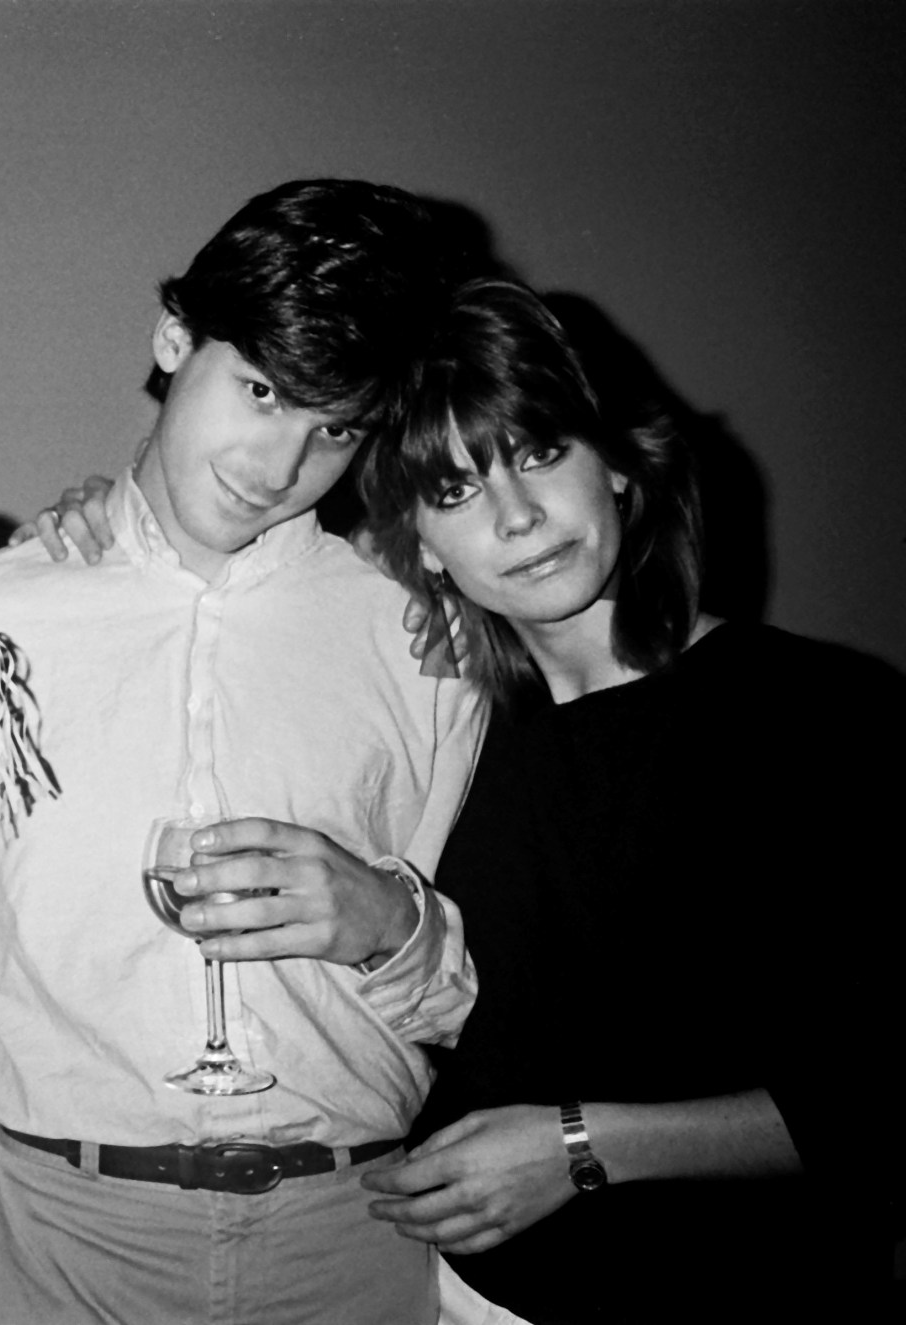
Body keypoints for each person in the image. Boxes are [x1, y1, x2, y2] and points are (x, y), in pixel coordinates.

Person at [0, 178, 484, 1325]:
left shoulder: (421, 640)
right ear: (171, 337)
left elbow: (479, 1003)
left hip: (350, 1243)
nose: (277, 461)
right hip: (60, 1244)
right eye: (258, 390)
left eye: (332, 426)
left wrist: (394, 925)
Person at [343, 277, 904, 1323]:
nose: (514, 517)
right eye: (455, 491)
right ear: (421, 543)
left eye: (539, 452)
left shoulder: (821, 713)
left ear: (617, 465)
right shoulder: (452, 734)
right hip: (464, 1296)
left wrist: (580, 1146)